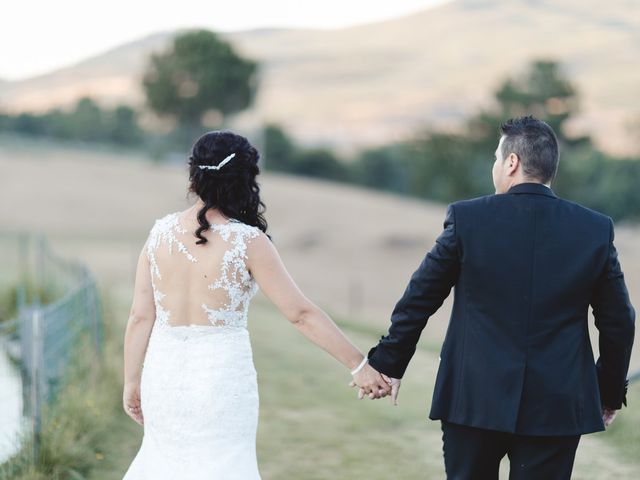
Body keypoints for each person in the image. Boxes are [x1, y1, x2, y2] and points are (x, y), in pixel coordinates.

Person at [361, 115, 636, 479]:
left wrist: (390, 362)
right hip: (556, 407)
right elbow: (620, 321)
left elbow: (420, 297)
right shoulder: (594, 230)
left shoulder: (467, 219)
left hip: (472, 399)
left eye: (496, 157)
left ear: (512, 162)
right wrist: (607, 391)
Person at [121, 130, 390, 479]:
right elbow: (300, 313)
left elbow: (140, 316)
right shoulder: (248, 241)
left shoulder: (159, 233)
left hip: (163, 377)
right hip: (220, 380)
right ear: (244, 179)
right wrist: (358, 364)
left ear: (194, 175)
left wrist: (131, 381)